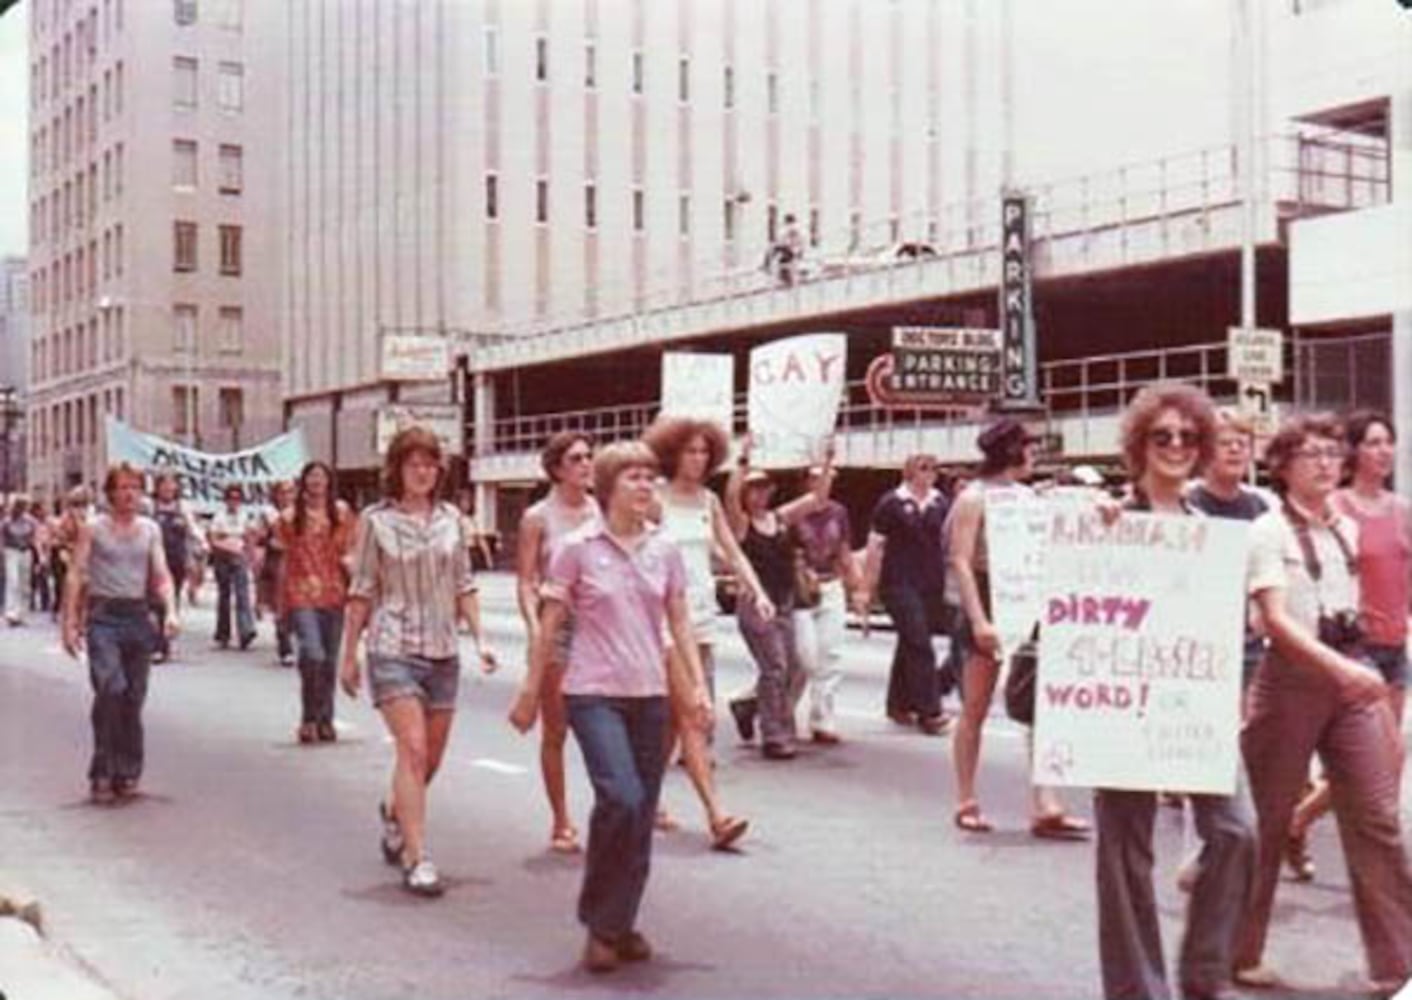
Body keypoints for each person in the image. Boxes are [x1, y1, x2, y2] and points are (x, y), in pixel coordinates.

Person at [510, 441, 712, 973]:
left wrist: (696, 689)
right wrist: (531, 690)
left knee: (642, 813)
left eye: (650, 477)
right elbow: (551, 623)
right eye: (633, 477)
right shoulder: (576, 547)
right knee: (620, 797)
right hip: (592, 690)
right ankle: (601, 922)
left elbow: (680, 620)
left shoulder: (664, 549)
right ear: (607, 487)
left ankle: (619, 924)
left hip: (649, 693)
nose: (645, 485)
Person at [1234, 413, 1412, 994]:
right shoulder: (1268, 531)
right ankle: (1241, 949)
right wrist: (1341, 666)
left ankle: (1397, 964)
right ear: (1282, 465)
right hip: (1291, 682)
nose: (1325, 462)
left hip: (1349, 677)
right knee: (1266, 820)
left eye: (1332, 452)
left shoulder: (1344, 528)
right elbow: (1276, 622)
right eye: (1309, 453)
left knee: (1377, 818)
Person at [1094, 383, 1255, 1000]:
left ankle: (1201, 974)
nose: (1177, 446)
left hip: (1194, 706)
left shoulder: (1208, 526)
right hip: (1120, 703)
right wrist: (1095, 522)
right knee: (1125, 854)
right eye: (1162, 436)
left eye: (1189, 437)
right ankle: (1139, 989)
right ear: (1140, 443)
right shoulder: (1112, 517)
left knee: (1238, 831)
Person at [340, 427, 498, 897]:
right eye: (414, 464)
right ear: (398, 469)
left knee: (430, 759)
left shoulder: (453, 519)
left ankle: (395, 811)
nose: (423, 472)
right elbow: (362, 588)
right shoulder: (376, 521)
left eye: (430, 464)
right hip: (393, 647)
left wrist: (481, 638)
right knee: (412, 749)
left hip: (443, 649)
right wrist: (348, 655)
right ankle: (416, 856)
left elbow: (464, 584)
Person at [947, 417, 1089, 838]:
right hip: (989, 597)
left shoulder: (1027, 498)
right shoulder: (973, 499)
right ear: (1012, 450)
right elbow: (960, 560)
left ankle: (1045, 802)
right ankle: (966, 798)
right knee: (975, 708)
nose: (1033, 456)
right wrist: (978, 620)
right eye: (1029, 447)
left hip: (1027, 602)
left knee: (1039, 705)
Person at [642, 416, 761, 849]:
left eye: (704, 451)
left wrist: (756, 590)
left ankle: (647, 799)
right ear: (673, 454)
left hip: (703, 619)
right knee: (693, 713)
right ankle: (717, 815)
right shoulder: (654, 499)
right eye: (690, 451)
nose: (698, 458)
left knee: (678, 722)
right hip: (665, 621)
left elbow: (731, 551)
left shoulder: (709, 501)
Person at [61, 463, 179, 803]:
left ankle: (127, 769)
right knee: (111, 688)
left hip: (137, 616)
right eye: (123, 487)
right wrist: (69, 624)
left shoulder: (149, 529)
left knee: (133, 697)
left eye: (135, 488)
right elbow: (76, 574)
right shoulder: (94, 529)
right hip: (104, 617)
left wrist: (170, 610)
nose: (129, 494)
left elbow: (161, 573)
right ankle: (102, 769)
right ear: (110, 493)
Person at [515, 431, 601, 853]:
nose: (586, 464)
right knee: (557, 728)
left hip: (601, 628)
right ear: (556, 468)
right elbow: (527, 580)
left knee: (602, 725)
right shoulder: (537, 517)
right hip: (559, 628)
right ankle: (561, 819)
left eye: (589, 457)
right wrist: (535, 629)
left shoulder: (603, 512)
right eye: (577, 458)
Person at [721, 437, 829, 759]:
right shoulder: (741, 525)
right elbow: (729, 499)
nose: (760, 494)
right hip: (755, 602)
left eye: (764, 488)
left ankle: (750, 707)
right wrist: (741, 463)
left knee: (793, 665)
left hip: (783, 600)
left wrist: (825, 462)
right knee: (775, 666)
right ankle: (774, 733)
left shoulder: (779, 518)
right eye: (754, 488)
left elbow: (818, 498)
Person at [858, 454, 952, 735]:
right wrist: (867, 587)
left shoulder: (940, 503)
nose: (930, 474)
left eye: (934, 469)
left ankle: (898, 702)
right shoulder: (892, 504)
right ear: (909, 473)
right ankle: (930, 711)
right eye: (924, 468)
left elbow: (948, 545)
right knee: (920, 643)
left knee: (911, 640)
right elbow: (875, 548)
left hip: (930, 583)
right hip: (898, 582)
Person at [279, 461, 356, 744]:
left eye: (321, 476)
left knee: (329, 661)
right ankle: (309, 716)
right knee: (313, 654)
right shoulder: (288, 518)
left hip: (334, 593)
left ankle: (324, 719)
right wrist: (280, 604)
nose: (316, 481)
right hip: (301, 593)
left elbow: (351, 549)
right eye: (311, 476)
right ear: (304, 482)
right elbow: (284, 560)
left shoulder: (342, 512)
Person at [788, 460, 860, 745]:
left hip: (830, 585)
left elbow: (843, 549)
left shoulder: (838, 512)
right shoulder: (794, 513)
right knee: (804, 657)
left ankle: (822, 718)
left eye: (827, 479)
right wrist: (802, 573)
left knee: (830, 656)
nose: (822, 484)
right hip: (801, 591)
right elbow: (788, 551)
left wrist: (857, 586)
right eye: (816, 479)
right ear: (805, 482)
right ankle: (773, 707)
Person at [149, 473, 201, 663]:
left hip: (176, 559)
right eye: (165, 486)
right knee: (154, 601)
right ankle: (156, 643)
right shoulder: (149, 506)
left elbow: (192, 529)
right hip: (153, 560)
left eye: (172, 487)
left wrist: (200, 544)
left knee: (170, 600)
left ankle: (164, 640)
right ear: (158, 487)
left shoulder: (183, 508)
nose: (168, 490)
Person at [207, 483, 257, 651]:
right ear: (226, 500)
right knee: (224, 596)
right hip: (223, 558)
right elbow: (214, 538)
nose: (234, 502)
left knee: (243, 595)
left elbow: (249, 537)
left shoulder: (245, 516)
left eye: (237, 499)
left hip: (239, 558)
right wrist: (227, 543)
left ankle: (245, 631)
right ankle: (223, 633)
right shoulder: (219, 517)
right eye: (231, 498)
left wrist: (251, 557)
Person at [255, 481, 296, 666]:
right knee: (280, 606)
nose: (287, 496)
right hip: (277, 562)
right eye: (283, 492)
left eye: (290, 492)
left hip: (298, 563)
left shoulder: (301, 513)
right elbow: (259, 538)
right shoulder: (268, 515)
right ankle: (285, 645)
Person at [2, 497, 39, 626]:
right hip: (11, 551)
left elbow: (35, 538)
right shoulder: (6, 522)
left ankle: (23, 613)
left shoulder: (31, 522)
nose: (21, 509)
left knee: (25, 583)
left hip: (26, 552)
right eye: (19, 506)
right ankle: (11, 613)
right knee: (13, 581)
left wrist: (39, 555)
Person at [456, 487, 496, 571]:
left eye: (468, 502)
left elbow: (480, 539)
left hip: (471, 552)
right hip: (457, 551)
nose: (465, 504)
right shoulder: (453, 519)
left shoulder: (472, 520)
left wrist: (488, 558)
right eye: (463, 501)